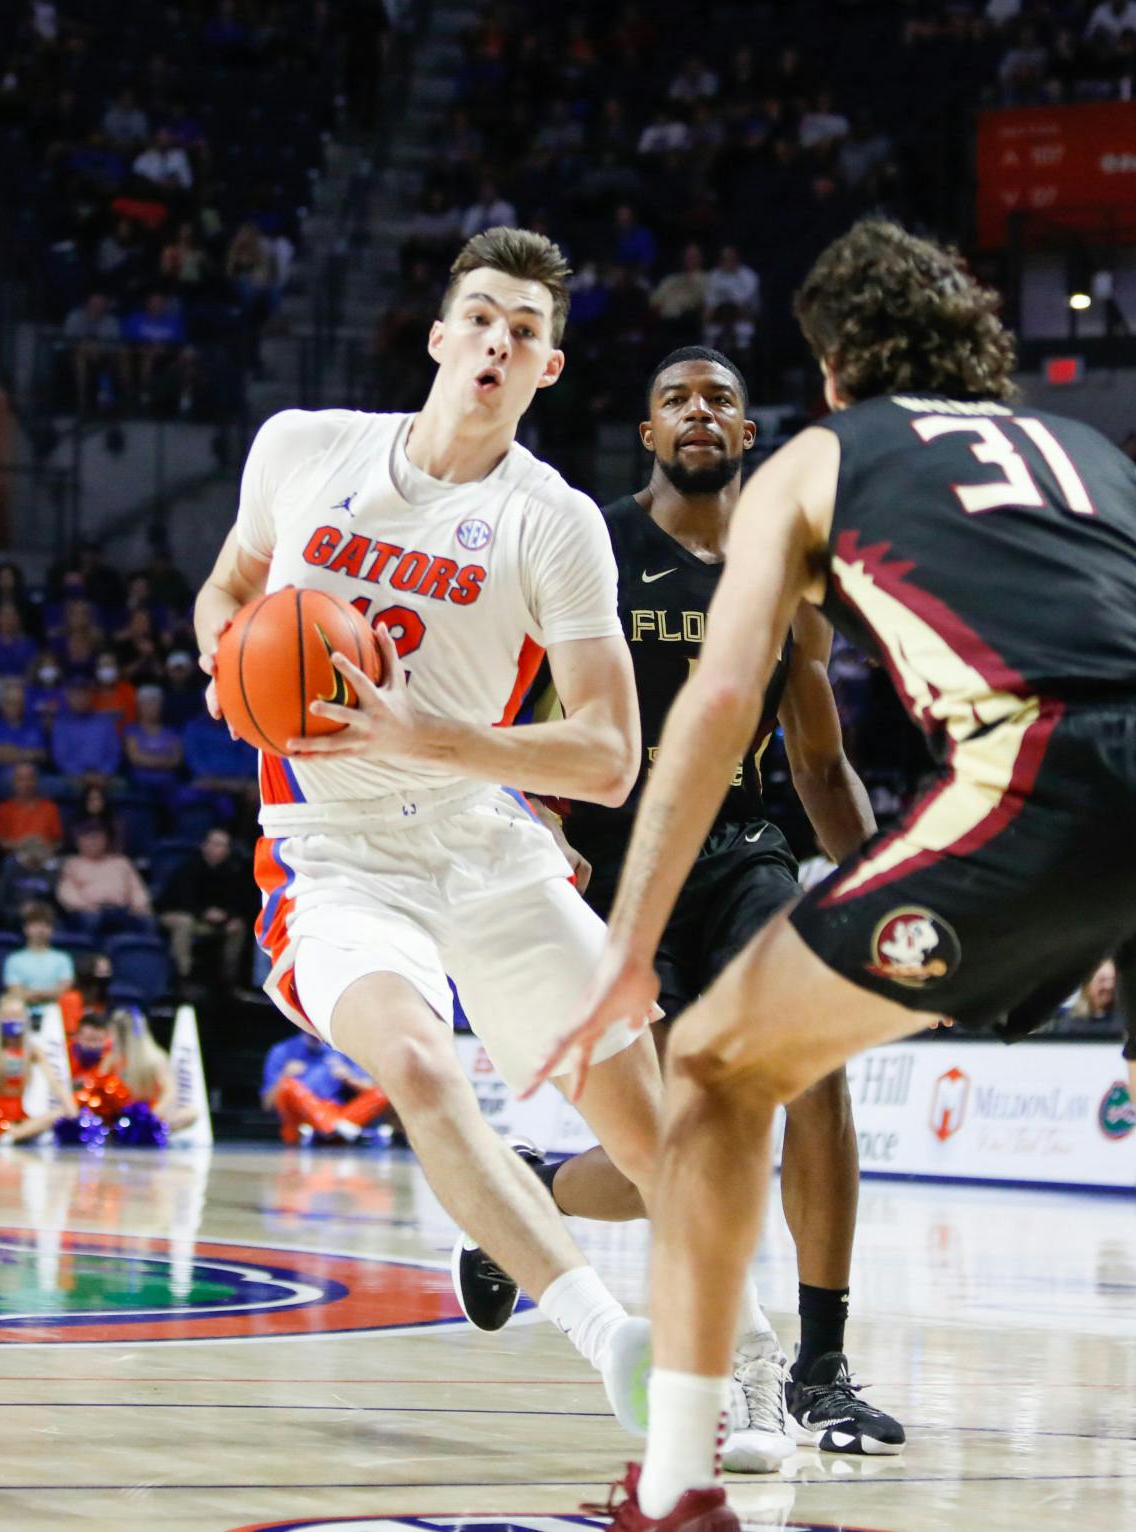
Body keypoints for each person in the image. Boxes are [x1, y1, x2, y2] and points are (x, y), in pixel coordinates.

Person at [544, 217, 1136, 1528]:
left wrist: (625, 942)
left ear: (834, 368)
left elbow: (723, 703)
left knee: (717, 1064)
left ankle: (675, 1489)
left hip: (1049, 768)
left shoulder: (819, 458)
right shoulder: (1086, 450)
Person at [192, 226, 710, 1437]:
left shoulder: (554, 521)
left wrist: (437, 739)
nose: (497, 340)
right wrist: (225, 655)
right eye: (479, 316)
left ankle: (730, 1359)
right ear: (437, 336)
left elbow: (609, 751)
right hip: (332, 852)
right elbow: (229, 587)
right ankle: (608, 1337)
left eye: (524, 331)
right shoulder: (303, 448)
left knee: (669, 1144)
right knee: (418, 1062)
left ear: (548, 369)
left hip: (482, 840)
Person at [514, 346, 901, 1456]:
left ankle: (819, 1368)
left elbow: (820, 765)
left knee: (814, 1060)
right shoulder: (591, 540)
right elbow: (518, 711)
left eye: (719, 400)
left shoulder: (785, 571)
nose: (698, 413)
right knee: (675, 1151)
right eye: (675, 400)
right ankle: (530, 1199)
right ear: (648, 434)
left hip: (741, 853)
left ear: (745, 434)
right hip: (615, 861)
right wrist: (531, 817)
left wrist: (881, 886)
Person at [157, 826, 256, 986]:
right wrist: (203, 913)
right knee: (185, 923)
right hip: (177, 915)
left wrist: (229, 916)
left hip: (211, 922)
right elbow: (180, 900)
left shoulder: (233, 872)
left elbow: (240, 903)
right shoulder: (188, 868)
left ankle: (230, 982)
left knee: (238, 926)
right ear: (205, 845)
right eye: (214, 843)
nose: (217, 848)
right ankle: (183, 977)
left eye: (222, 845)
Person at [260, 1028, 392, 1143]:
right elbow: (267, 1105)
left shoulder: (341, 1049)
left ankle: (330, 1128)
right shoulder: (282, 1051)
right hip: (302, 1123)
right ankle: (334, 1128)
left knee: (385, 1091)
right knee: (287, 1085)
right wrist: (284, 1075)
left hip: (341, 1114)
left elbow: (372, 1091)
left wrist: (351, 1079)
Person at [0, 992, 61, 1143]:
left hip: (22, 1111)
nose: (13, 1020)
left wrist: (71, 1109)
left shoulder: (33, 1050)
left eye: (17, 1015)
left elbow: (55, 1083)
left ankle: (13, 1135)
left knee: (59, 1113)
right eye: (8, 1015)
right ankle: (15, 1135)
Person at [55, 821, 151, 937]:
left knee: (146, 921)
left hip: (122, 909)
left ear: (106, 840)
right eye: (89, 839)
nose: (93, 842)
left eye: (98, 838)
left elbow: (137, 889)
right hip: (90, 910)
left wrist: (139, 905)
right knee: (90, 920)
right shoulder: (73, 864)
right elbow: (66, 891)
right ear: (79, 842)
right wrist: (84, 906)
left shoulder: (121, 862)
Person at [3, 902, 74, 1011]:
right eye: (35, 925)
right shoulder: (14, 959)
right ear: (26, 928)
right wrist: (48, 994)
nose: (40, 930)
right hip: (23, 1014)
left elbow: (64, 990)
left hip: (56, 1014)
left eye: (45, 925)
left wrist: (33, 994)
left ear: (52, 929)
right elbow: (15, 992)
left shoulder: (63, 958)